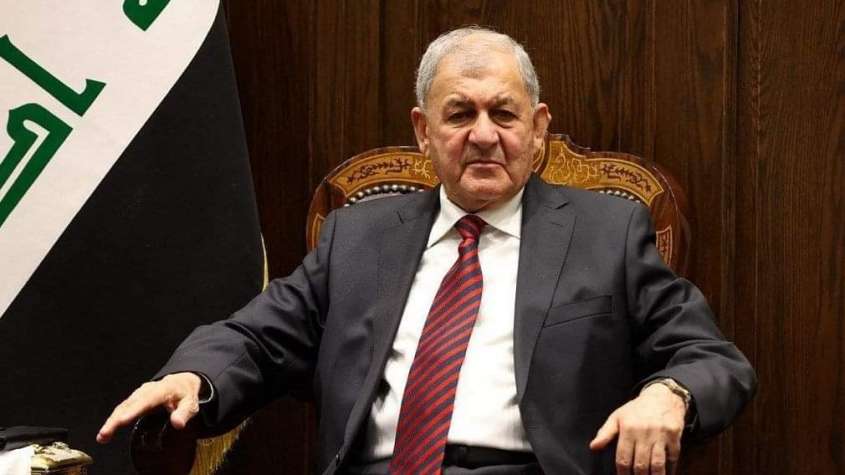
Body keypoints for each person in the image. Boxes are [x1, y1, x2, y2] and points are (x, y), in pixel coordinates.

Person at [98, 27, 756, 474]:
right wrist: (193, 377)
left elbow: (711, 358)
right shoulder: (359, 236)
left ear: (537, 129)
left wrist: (669, 393)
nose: (483, 135)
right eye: (459, 114)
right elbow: (258, 337)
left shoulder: (606, 233)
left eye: (504, 114)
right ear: (423, 131)